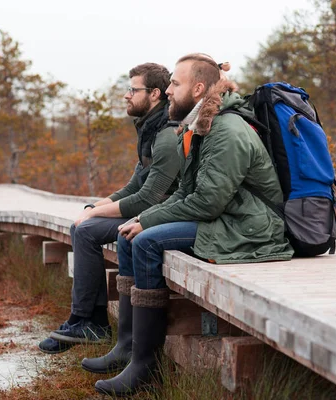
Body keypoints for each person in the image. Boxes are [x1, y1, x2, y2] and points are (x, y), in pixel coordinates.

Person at [91, 54, 294, 397]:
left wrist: (149, 223)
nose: (168, 90)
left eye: (175, 83)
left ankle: (145, 364)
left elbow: (208, 202)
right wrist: (141, 217)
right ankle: (128, 347)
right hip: (228, 217)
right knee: (130, 237)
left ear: (198, 89)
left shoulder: (226, 130)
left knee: (146, 243)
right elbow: (187, 191)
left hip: (251, 226)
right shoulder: (202, 125)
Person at [38, 63, 180, 360]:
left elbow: (149, 198)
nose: (127, 96)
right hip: (149, 209)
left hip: (161, 215)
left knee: (87, 229)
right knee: (81, 225)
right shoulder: (150, 129)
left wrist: (92, 216)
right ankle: (87, 321)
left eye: (133, 89)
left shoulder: (166, 136)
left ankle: (90, 322)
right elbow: (133, 187)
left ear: (154, 94)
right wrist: (96, 206)